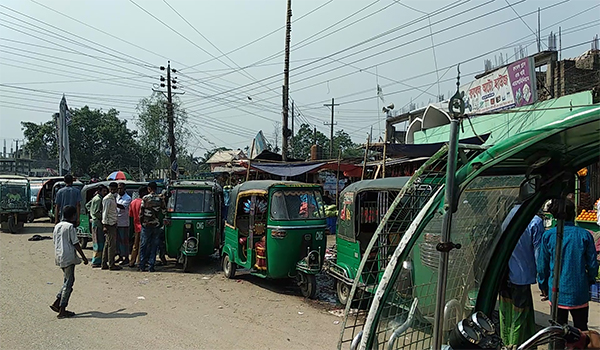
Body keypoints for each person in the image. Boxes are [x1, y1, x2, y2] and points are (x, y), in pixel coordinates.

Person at [537, 199, 599, 331]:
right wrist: (589, 280)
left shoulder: (548, 236)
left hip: (556, 292)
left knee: (557, 331)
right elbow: (593, 265)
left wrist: (542, 285)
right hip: (579, 292)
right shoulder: (585, 235)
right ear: (574, 214)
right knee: (581, 330)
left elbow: (542, 266)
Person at [498, 204, 544, 346]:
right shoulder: (535, 221)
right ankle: (514, 345)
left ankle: (506, 342)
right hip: (522, 276)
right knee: (519, 316)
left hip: (504, 273)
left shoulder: (509, 215)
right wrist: (542, 280)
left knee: (505, 313)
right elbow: (539, 254)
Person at [50, 205, 88, 318]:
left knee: (67, 280)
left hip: (59, 255)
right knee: (69, 283)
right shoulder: (70, 227)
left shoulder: (57, 226)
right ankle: (62, 308)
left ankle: (57, 302)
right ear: (73, 216)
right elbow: (76, 243)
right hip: (68, 257)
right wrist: (84, 257)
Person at [139, 182, 165, 272]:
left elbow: (141, 213)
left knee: (143, 245)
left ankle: (142, 265)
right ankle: (151, 266)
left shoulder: (145, 198)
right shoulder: (160, 199)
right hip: (156, 225)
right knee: (154, 246)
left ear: (149, 189)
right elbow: (164, 211)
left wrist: (141, 222)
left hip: (146, 225)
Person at [85, 185, 107, 268]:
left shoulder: (96, 198)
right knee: (98, 242)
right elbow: (97, 212)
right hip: (98, 222)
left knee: (98, 242)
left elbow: (87, 205)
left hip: (95, 222)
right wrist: (103, 217)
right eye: (104, 191)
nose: (105, 193)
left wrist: (91, 212)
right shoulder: (98, 199)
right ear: (100, 191)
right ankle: (96, 261)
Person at [101, 182, 121, 271]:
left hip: (113, 222)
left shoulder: (114, 198)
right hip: (109, 224)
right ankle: (111, 264)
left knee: (107, 244)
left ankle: (104, 263)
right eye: (111, 189)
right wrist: (105, 225)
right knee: (111, 246)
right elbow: (104, 213)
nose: (113, 191)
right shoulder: (107, 199)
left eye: (114, 189)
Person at [128, 186, 147, 268]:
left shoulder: (133, 202)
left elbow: (131, 215)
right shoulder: (145, 202)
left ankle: (132, 261)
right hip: (144, 226)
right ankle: (140, 261)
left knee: (135, 245)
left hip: (136, 226)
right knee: (142, 245)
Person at [116, 182, 132, 266]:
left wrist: (113, 203)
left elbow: (123, 207)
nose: (119, 190)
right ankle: (120, 256)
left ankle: (126, 257)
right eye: (118, 188)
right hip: (116, 222)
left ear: (124, 189)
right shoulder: (116, 197)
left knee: (124, 241)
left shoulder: (127, 198)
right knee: (118, 241)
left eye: (120, 188)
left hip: (124, 223)